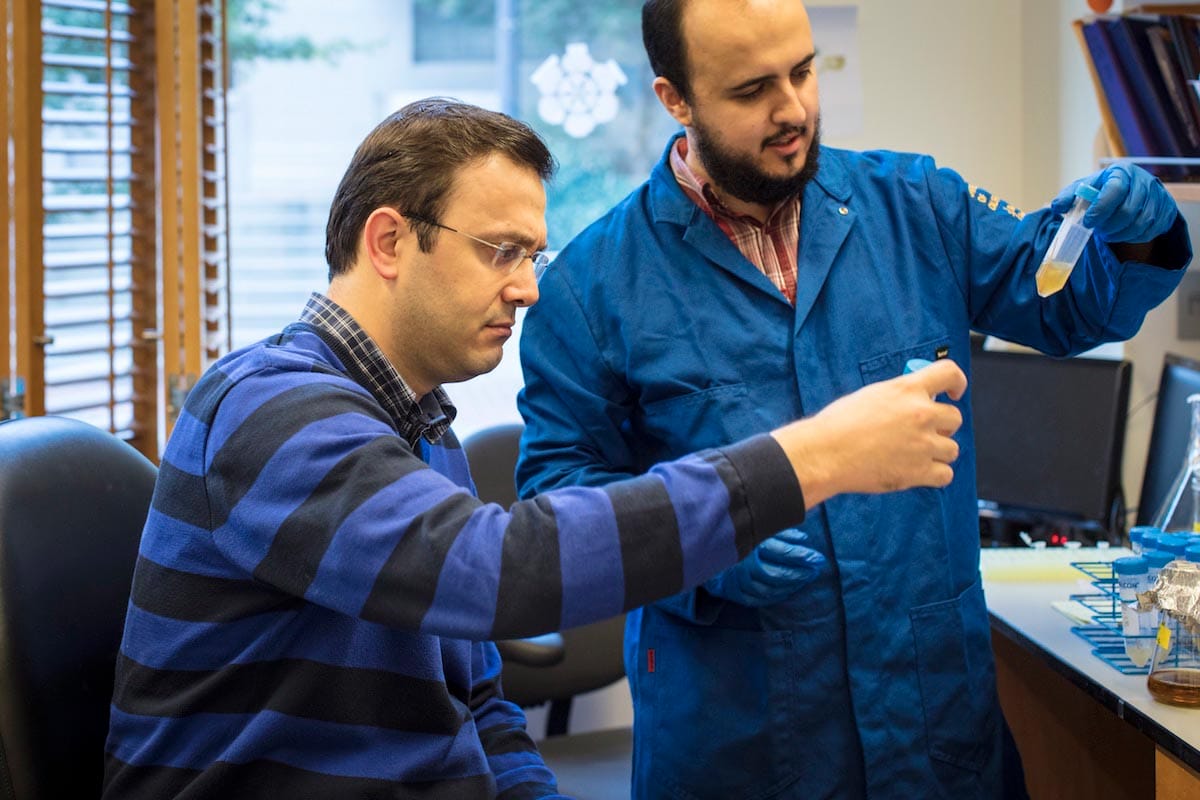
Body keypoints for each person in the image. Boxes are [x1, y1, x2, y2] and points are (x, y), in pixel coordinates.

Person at [100, 98, 972, 800]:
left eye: (533, 253)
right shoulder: (269, 408)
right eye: (500, 252)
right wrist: (805, 460)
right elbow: (495, 573)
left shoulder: (419, 433)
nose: (526, 287)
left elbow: (476, 702)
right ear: (391, 241)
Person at [514, 2, 1194, 798]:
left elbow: (1067, 305)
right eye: (752, 89)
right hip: (740, 739)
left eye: (803, 71)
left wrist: (1139, 234)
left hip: (935, 724)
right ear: (676, 99)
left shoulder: (916, 206)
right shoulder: (592, 287)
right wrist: (700, 550)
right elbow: (558, 510)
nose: (793, 108)